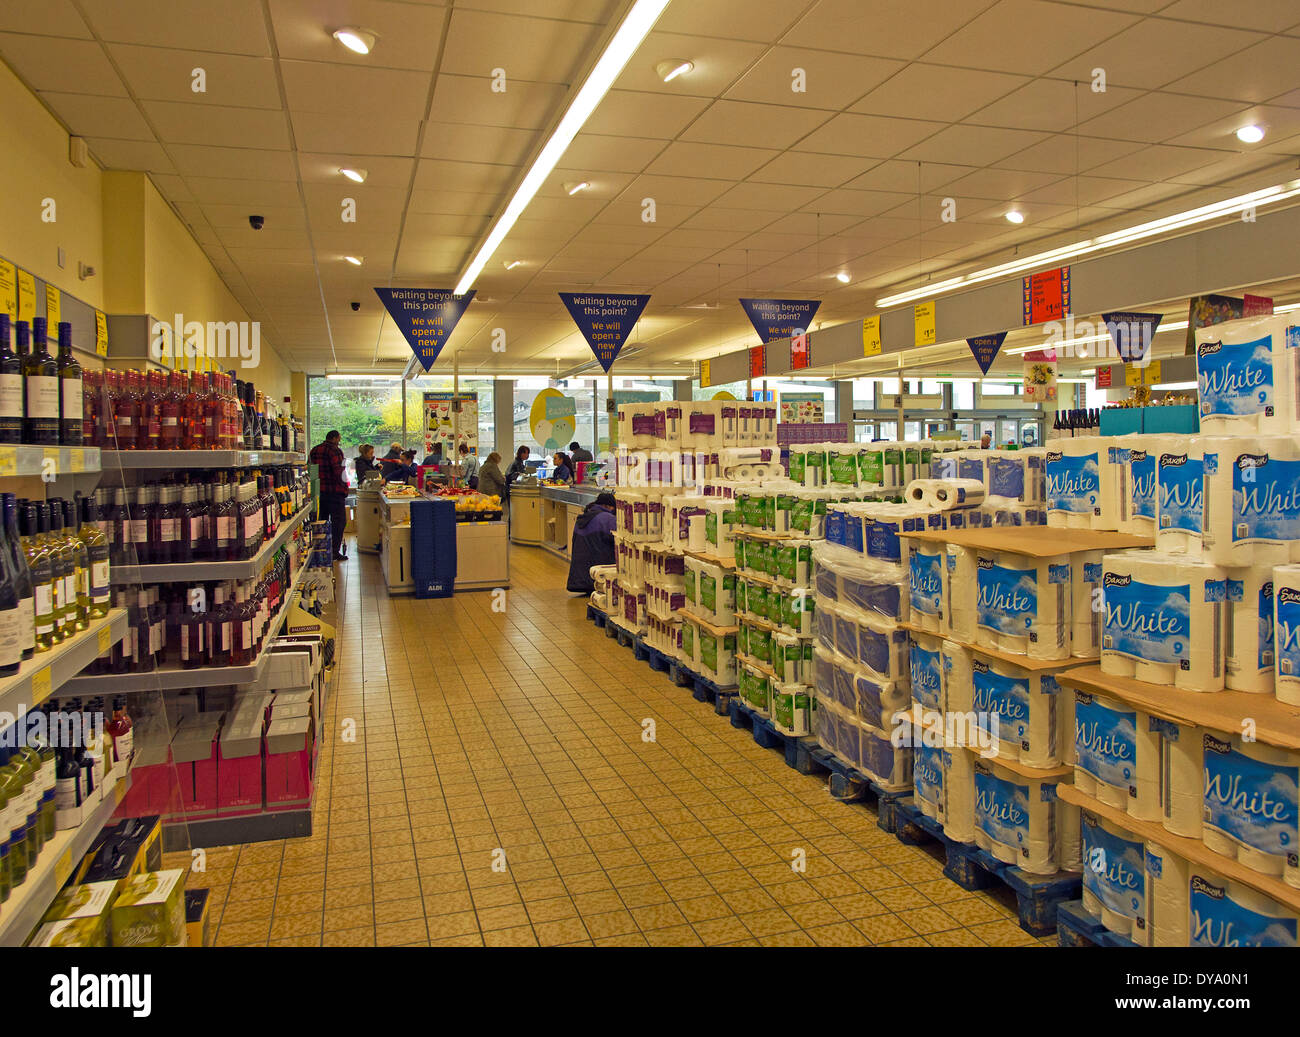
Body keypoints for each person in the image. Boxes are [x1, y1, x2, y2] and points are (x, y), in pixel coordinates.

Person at [309, 429, 349, 562]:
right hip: (335, 492)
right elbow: (339, 472)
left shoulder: (314, 450)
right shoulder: (335, 450)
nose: (339, 441)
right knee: (339, 522)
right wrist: (345, 488)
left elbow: (311, 470)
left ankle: (321, 551)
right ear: (335, 438)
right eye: (339, 438)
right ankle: (334, 552)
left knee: (322, 522)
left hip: (319, 493)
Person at [566, 492, 616, 593]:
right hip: (595, 574)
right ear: (608, 506)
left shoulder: (586, 514)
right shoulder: (607, 518)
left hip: (579, 576)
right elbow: (617, 538)